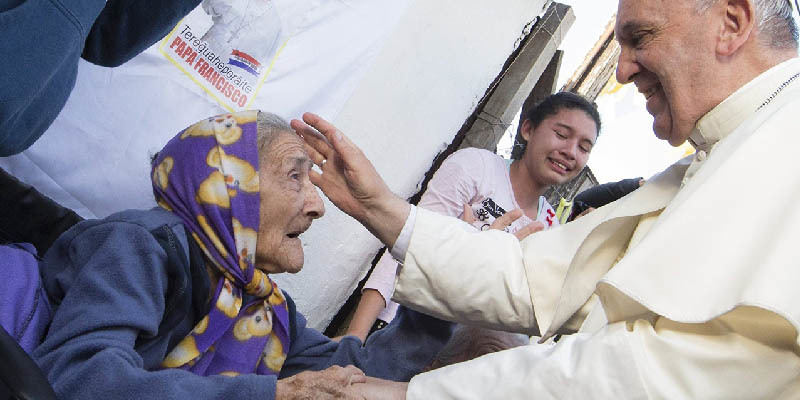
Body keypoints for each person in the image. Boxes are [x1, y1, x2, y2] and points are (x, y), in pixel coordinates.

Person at [293, 0, 800, 397]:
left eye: (641, 37)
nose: (621, 71)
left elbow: (661, 377)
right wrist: (378, 206)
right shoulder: (704, 162)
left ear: (731, 23)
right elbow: (532, 281)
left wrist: (405, 395)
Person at [32, 111, 453, 399]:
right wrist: (271, 394)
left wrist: (447, 280)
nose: (317, 204)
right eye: (294, 176)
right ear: (230, 184)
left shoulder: (264, 307)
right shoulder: (142, 246)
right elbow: (76, 377)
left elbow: (352, 377)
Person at [346, 92, 600, 341]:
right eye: (561, 135)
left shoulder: (549, 229)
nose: (570, 151)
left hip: (452, 361)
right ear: (528, 129)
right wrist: (356, 337)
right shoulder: (475, 167)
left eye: (584, 147)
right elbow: (406, 241)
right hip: (394, 329)